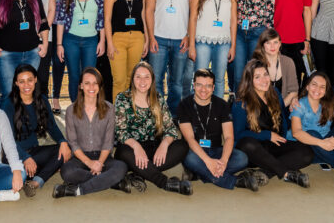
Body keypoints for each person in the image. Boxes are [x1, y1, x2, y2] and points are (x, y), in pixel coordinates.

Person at [232, 59, 314, 187]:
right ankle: (287, 174)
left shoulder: (275, 93)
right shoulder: (241, 103)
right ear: (249, 81)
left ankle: (265, 172)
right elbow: (238, 135)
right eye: (257, 77)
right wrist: (267, 135)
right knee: (247, 143)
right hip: (254, 150)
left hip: (273, 145)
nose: (264, 80)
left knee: (307, 152)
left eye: (265, 74)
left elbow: (283, 120)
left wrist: (293, 105)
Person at [114, 62, 192, 195]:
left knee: (182, 146)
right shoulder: (122, 99)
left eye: (147, 77)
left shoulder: (158, 98)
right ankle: (165, 183)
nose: (142, 81)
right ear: (132, 79)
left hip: (153, 148)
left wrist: (164, 145)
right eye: (138, 77)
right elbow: (120, 132)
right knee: (123, 153)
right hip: (130, 149)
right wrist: (137, 147)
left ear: (152, 80)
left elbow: (171, 129)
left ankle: (140, 173)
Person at [178, 69, 258, 191]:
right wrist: (208, 161)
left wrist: (224, 160)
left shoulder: (222, 105)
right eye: (199, 85)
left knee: (242, 158)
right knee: (188, 158)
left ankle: (200, 173)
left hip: (216, 150)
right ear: (194, 85)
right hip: (195, 152)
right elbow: (190, 139)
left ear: (214, 87)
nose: (203, 90)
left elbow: (229, 137)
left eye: (208, 86)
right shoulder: (184, 105)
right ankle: (236, 181)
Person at [55, 67, 128, 197]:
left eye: (95, 83)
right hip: (80, 158)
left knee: (121, 168)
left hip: (103, 157)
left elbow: (108, 142)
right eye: (87, 83)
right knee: (67, 172)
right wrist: (89, 163)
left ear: (100, 86)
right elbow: (73, 143)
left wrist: (99, 163)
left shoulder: (109, 108)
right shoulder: (71, 110)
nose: (91, 87)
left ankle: (78, 190)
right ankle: (110, 182)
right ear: (81, 86)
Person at [1, 64, 71, 197]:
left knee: (64, 149)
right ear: (16, 83)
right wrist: (25, 158)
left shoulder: (42, 100)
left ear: (35, 80)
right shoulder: (8, 104)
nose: (26, 85)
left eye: (29, 80)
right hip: (13, 156)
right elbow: (7, 140)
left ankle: (36, 182)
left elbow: (52, 127)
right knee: (17, 172)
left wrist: (62, 141)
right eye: (21, 81)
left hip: (34, 152)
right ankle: (37, 171)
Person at [288, 72, 334, 193]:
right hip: (306, 146)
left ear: (326, 90)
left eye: (322, 87)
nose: (318, 89)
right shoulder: (299, 104)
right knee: (312, 132)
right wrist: (321, 143)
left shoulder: (330, 105)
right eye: (314, 85)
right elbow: (296, 133)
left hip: (327, 144)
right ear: (307, 86)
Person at [146, 0, 197, 118]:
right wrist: (151, 37)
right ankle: (160, 115)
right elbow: (149, 12)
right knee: (157, 80)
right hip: (158, 39)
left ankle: (174, 116)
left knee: (176, 82)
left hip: (180, 40)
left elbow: (193, 13)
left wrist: (189, 36)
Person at [55, 0, 106, 101]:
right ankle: (75, 108)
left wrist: (102, 41)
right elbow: (60, 21)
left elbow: (101, 18)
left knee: (90, 76)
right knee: (74, 75)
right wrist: (59, 44)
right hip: (71, 40)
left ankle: (89, 106)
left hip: (91, 40)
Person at [188, 0, 237, 99]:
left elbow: (234, 19)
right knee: (199, 79)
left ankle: (218, 113)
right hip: (202, 41)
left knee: (220, 79)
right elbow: (192, 19)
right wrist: (192, 45)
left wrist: (233, 46)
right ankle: (196, 113)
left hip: (224, 42)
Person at [105, 0, 148, 99]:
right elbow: (107, 19)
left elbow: (143, 17)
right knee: (119, 80)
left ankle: (131, 113)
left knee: (133, 79)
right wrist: (109, 44)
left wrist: (146, 40)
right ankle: (118, 116)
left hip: (137, 38)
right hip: (118, 39)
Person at [231, 0, 275, 94]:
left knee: (255, 72)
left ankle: (253, 103)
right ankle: (238, 103)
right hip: (238, 33)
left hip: (257, 33)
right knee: (239, 73)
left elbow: (269, 16)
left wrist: (267, 40)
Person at [267, 0, 312, 88]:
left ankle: (294, 108)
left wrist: (307, 39)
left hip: (298, 39)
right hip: (276, 41)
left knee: (296, 79)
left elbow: (307, 12)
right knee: (276, 79)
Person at [23, 0, 58, 101]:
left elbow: (52, 9)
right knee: (26, 76)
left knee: (43, 77)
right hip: (23, 37)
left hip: (45, 37)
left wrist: (44, 31)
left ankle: (43, 110)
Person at [42, 0, 71, 113]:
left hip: (62, 20)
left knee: (59, 61)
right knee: (43, 59)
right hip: (42, 19)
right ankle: (42, 98)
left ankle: (56, 99)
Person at [251, 29, 299, 106]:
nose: (272, 46)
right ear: (263, 45)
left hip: (283, 106)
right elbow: (251, 92)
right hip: (261, 107)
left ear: (280, 44)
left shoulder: (288, 62)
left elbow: (294, 91)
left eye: (275, 42)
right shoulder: (255, 64)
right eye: (268, 43)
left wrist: (279, 108)